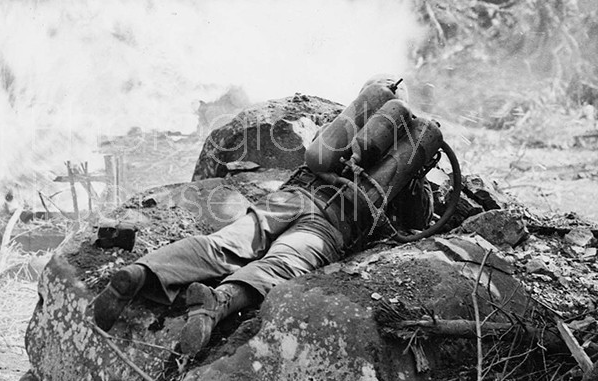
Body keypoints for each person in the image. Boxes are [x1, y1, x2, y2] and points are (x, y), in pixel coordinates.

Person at [93, 80, 440, 355]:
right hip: (332, 223)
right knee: (283, 263)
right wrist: (418, 173)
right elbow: (415, 219)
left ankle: (145, 271)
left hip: (289, 198)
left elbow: (316, 156)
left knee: (226, 244)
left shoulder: (339, 131)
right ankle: (218, 302)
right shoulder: (402, 155)